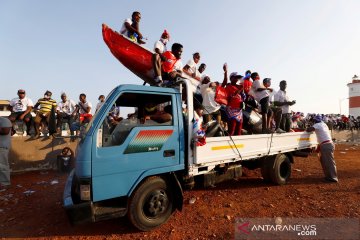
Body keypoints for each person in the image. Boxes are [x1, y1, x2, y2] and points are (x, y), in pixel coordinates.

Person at [306, 115, 338, 182]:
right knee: (325, 161)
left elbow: (308, 130)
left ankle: (333, 178)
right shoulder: (324, 124)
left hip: (326, 145)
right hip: (327, 144)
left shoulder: (317, 125)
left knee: (329, 162)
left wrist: (308, 127)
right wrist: (318, 150)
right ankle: (329, 177)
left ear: (315, 121)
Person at [221, 64, 244, 136]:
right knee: (232, 128)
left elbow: (242, 97)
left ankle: (238, 143)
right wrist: (226, 72)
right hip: (231, 109)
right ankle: (229, 143)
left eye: (237, 78)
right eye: (235, 77)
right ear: (231, 78)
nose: (237, 79)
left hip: (239, 110)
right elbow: (227, 98)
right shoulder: (228, 87)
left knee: (239, 128)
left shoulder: (239, 87)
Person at [0, 117, 12, 188]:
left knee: (2, 165)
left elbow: (5, 131)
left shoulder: (4, 120)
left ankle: (5, 183)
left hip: (2, 147)